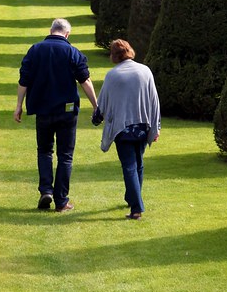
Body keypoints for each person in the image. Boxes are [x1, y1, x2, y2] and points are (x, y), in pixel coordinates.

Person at [15, 18, 98, 212]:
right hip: (67, 111)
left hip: (43, 110)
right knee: (65, 156)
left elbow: (24, 80)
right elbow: (85, 80)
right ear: (67, 34)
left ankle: (46, 190)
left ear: (51, 31)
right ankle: (61, 201)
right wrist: (96, 105)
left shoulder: (35, 50)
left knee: (44, 151)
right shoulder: (72, 52)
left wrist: (18, 105)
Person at [93, 38, 161, 220]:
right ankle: (132, 198)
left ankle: (136, 208)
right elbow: (154, 101)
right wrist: (156, 127)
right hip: (143, 126)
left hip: (122, 129)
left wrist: (96, 119)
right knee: (138, 164)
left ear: (114, 55)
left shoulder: (113, 75)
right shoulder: (145, 71)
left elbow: (102, 104)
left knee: (129, 167)